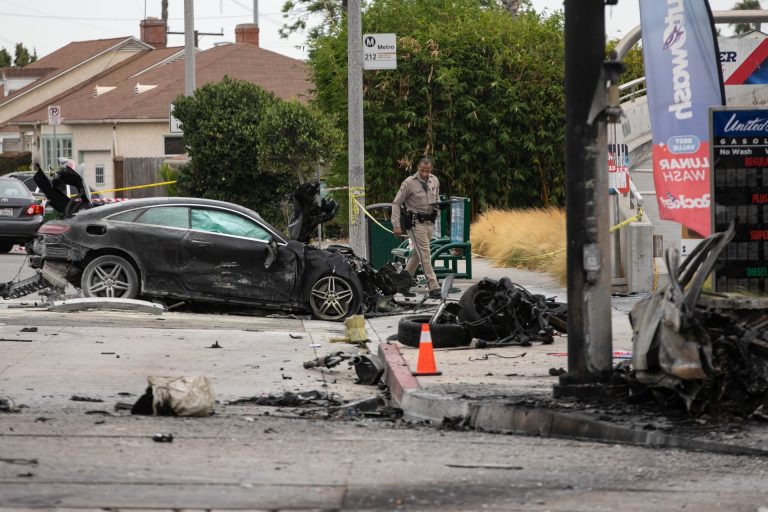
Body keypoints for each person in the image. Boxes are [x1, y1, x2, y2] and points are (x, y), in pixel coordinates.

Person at [391, 157, 441, 298]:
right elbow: (396, 203)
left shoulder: (434, 180)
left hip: (429, 222)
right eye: (422, 170)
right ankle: (433, 286)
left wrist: (440, 206)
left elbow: (436, 199)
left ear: (431, 169)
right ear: (418, 168)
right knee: (425, 254)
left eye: (427, 171)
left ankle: (402, 283)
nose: (425, 173)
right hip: (415, 223)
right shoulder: (409, 183)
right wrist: (396, 225)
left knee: (417, 255)